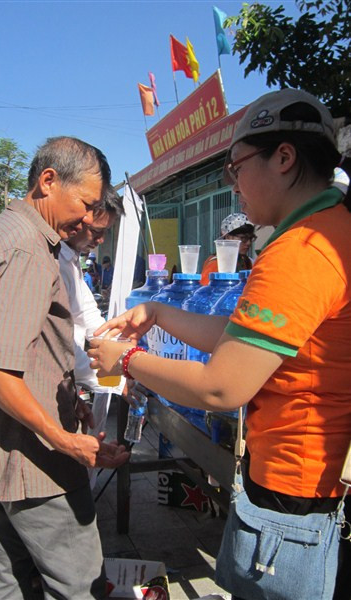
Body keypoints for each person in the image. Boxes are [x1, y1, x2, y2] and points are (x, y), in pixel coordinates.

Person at [88, 89, 351, 599]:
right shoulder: (328, 230)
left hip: (292, 497)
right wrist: (159, 312)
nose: (233, 186)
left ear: (284, 157)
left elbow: (220, 387)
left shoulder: (302, 251)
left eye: (236, 167)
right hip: (305, 488)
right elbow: (241, 338)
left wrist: (128, 359)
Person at [0, 136, 129, 600]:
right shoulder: (26, 247)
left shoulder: (18, 233)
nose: (88, 218)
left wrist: (67, 397)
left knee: (7, 574)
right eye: (85, 203)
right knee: (78, 582)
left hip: (4, 448)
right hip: (31, 459)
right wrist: (62, 439)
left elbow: (27, 346)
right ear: (48, 181)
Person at [59, 186, 124, 393]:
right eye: (96, 231)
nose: (101, 240)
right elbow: (64, 346)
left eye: (105, 232)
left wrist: (121, 353)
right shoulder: (55, 264)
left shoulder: (71, 260)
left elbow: (88, 315)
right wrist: (118, 383)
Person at [200, 212, 255, 285]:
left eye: (251, 238)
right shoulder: (216, 264)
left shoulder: (247, 262)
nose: (248, 243)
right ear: (227, 237)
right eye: (243, 238)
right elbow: (204, 289)